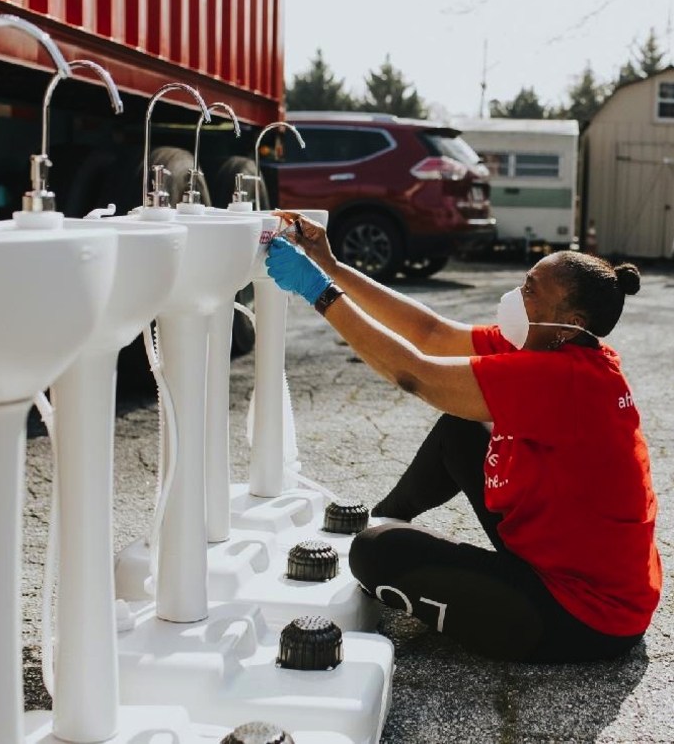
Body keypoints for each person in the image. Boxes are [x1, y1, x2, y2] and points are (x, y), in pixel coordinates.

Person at [265, 211, 662, 663]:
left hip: (586, 615)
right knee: (460, 429)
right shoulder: (551, 344)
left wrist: (320, 293)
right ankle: (385, 516)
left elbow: (415, 374)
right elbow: (431, 333)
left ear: (568, 320)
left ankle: (388, 540)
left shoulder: (567, 380)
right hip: (563, 561)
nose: (516, 296)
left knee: (375, 557)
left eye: (531, 290)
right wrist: (330, 265)